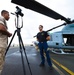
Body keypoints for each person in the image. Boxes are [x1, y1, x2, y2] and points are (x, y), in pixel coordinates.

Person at [0, 10, 12, 74]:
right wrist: (9, 34)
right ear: (4, 14)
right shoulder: (1, 18)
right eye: (8, 15)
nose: (9, 16)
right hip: (1, 45)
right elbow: (1, 28)